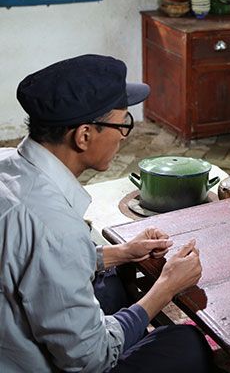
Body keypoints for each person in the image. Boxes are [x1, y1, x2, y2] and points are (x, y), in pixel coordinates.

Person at [0, 55, 213, 372]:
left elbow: (35, 259)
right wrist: (164, 288)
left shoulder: (7, 164)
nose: (125, 137)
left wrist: (121, 253)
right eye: (123, 124)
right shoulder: (54, 224)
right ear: (84, 135)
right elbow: (91, 359)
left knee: (112, 283)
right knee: (187, 345)